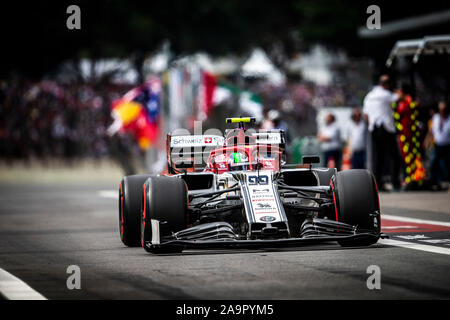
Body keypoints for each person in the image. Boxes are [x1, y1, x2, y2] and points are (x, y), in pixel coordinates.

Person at [363, 75, 401, 191]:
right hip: (385, 128)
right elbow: (399, 97)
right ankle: (395, 182)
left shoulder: (369, 96)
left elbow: (366, 115)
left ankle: (378, 184)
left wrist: (370, 126)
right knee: (395, 156)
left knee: (377, 158)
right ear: (387, 84)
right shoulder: (386, 94)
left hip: (374, 128)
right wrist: (394, 90)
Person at [429, 101, 450, 188]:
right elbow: (431, 130)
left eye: (444, 109)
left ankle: (447, 181)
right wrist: (427, 141)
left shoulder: (449, 119)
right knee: (434, 163)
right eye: (440, 109)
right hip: (437, 144)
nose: (442, 111)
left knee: (446, 164)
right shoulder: (436, 117)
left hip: (447, 145)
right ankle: (434, 181)